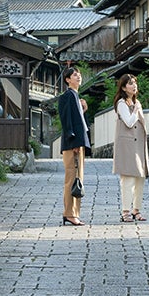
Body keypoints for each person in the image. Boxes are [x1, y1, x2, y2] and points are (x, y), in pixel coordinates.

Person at [112, 73, 149, 222]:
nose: (134, 86)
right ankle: (125, 211)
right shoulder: (121, 103)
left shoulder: (136, 102)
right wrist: (135, 109)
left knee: (140, 178)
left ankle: (136, 209)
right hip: (127, 146)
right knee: (127, 179)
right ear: (123, 87)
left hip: (138, 145)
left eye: (134, 83)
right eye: (130, 83)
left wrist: (136, 107)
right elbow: (128, 122)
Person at [57, 66, 90, 226]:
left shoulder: (76, 97)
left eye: (79, 74)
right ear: (67, 79)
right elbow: (66, 121)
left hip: (78, 143)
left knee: (78, 179)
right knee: (72, 178)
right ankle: (69, 213)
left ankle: (75, 213)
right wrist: (74, 141)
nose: (78, 77)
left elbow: (80, 122)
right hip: (73, 144)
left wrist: (83, 109)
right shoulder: (67, 96)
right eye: (75, 75)